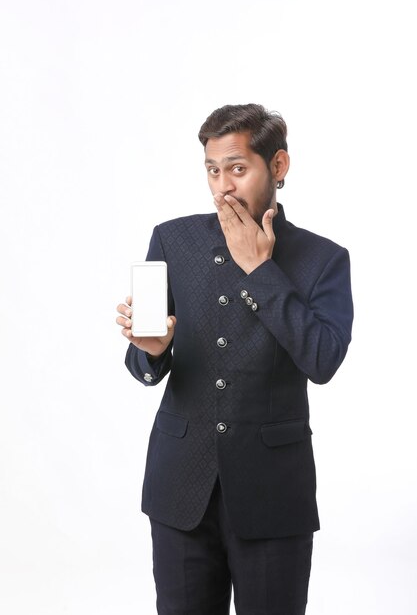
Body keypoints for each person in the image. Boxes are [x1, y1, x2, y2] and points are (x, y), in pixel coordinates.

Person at [116, 103, 353, 615]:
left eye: (238, 169)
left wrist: (259, 269)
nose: (222, 185)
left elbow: (324, 360)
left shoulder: (323, 259)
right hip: (180, 490)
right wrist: (152, 354)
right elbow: (141, 365)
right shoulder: (172, 239)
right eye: (212, 169)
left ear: (279, 167)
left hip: (273, 496)